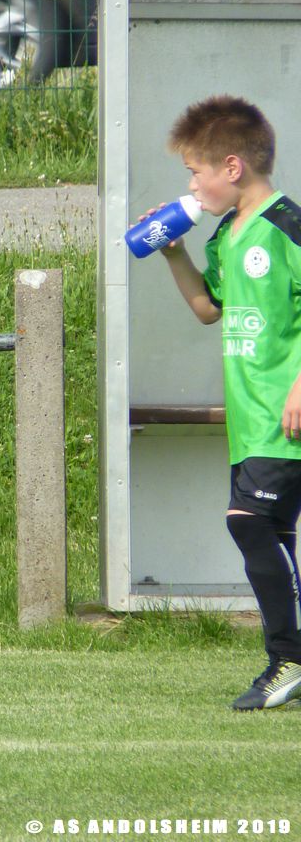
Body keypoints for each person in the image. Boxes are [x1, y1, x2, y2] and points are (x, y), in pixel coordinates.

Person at [150, 94, 301, 711]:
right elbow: (208, 309)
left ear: (232, 167)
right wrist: (173, 251)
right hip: (251, 419)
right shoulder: (225, 236)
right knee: (270, 530)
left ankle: (288, 658)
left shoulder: (286, 226)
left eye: (195, 171)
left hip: (285, 414)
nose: (191, 184)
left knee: (248, 522)